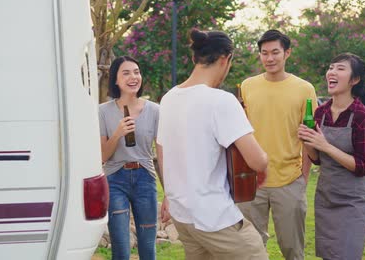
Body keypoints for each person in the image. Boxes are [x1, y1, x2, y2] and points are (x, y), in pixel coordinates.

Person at [157, 29, 269, 260]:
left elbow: (162, 151)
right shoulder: (221, 100)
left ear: (194, 58)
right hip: (213, 216)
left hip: (182, 214)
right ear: (224, 59)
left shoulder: (168, 98)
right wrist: (264, 166)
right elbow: (258, 160)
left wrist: (169, 194)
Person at [238, 29, 317, 260]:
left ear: (287, 53)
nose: (269, 58)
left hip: (289, 181)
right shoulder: (247, 86)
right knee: (250, 249)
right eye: (264, 53)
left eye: (275, 52)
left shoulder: (305, 89)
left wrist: (303, 178)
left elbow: (308, 135)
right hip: (252, 182)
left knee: (292, 249)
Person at [298, 53, 365, 260]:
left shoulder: (363, 117)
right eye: (331, 67)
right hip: (326, 198)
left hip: (353, 203)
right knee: (329, 255)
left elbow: (363, 166)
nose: (332, 72)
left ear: (355, 80)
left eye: (340, 68)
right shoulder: (320, 113)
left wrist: (325, 145)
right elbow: (317, 159)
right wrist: (308, 142)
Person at [99, 56, 162, 260]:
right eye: (126, 73)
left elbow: (162, 155)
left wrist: (168, 193)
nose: (133, 77)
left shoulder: (154, 110)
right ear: (115, 80)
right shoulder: (103, 111)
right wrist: (117, 133)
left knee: (147, 244)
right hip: (115, 179)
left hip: (145, 178)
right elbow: (102, 156)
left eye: (136, 72)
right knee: (120, 245)